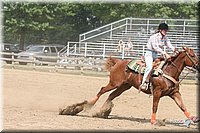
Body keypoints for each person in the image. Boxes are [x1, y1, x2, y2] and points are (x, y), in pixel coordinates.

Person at [139, 23, 178, 90]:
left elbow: (169, 44)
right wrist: (164, 53)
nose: (166, 31)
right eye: (164, 30)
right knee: (149, 66)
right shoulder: (154, 37)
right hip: (149, 53)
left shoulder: (165, 38)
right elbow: (155, 47)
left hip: (156, 54)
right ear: (160, 30)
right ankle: (144, 83)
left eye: (166, 30)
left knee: (165, 65)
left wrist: (174, 49)